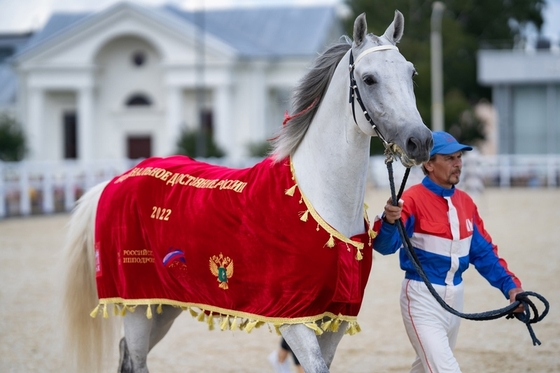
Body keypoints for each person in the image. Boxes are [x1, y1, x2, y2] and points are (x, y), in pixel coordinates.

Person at [372, 131, 524, 373]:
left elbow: (484, 254)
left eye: (459, 157)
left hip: (456, 298)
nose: (458, 164)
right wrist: (389, 222)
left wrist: (511, 286)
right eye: (450, 158)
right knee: (446, 369)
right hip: (422, 299)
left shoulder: (466, 203)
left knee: (426, 368)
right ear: (429, 164)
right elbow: (384, 247)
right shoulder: (409, 200)